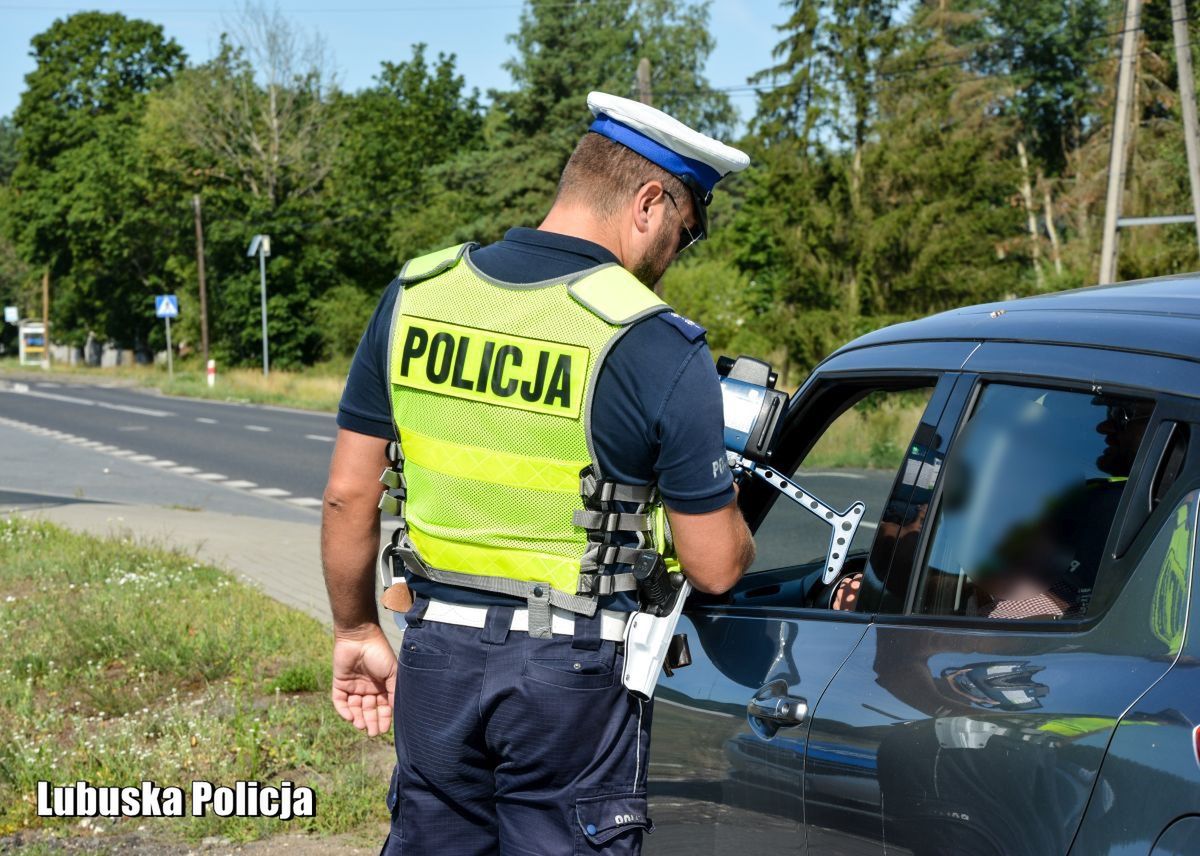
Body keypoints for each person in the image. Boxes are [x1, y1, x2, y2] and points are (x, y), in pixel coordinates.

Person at [321, 91, 756, 855]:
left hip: (434, 658)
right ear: (649, 203)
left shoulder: (418, 297)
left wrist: (356, 627)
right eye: (685, 237)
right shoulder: (657, 343)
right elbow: (715, 567)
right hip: (572, 679)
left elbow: (348, 495)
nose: (673, 259)